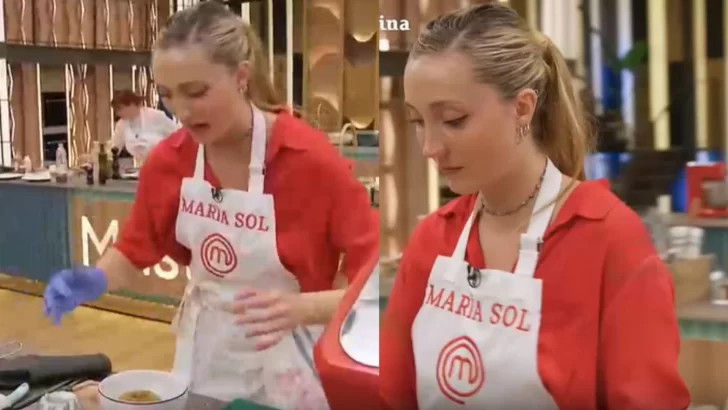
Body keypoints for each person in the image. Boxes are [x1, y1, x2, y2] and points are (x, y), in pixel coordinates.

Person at [43, 2, 378, 409]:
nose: (182, 112)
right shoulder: (169, 162)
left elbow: (376, 276)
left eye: (197, 92)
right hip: (208, 350)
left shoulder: (309, 159)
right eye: (167, 95)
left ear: (241, 76)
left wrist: (304, 308)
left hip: (294, 355)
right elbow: (136, 248)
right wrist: (94, 279)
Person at [380, 4, 689, 410]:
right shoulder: (432, 240)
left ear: (523, 108)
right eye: (418, 122)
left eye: (453, 119)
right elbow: (393, 395)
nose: (430, 148)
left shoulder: (610, 242)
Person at [110, 89, 180, 164]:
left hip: (168, 163)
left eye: (120, 109)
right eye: (117, 110)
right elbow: (115, 148)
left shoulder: (156, 116)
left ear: (132, 104)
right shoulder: (121, 125)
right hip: (144, 166)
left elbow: (178, 137)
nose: (118, 113)